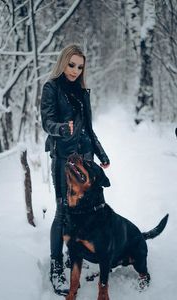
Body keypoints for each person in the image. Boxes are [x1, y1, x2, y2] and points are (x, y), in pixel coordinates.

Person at [40, 44, 110, 295]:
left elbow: (88, 129)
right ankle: (56, 265)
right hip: (64, 158)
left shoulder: (82, 92)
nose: (75, 70)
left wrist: (100, 153)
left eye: (79, 66)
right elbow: (46, 121)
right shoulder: (51, 87)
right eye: (71, 65)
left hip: (86, 156)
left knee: (83, 210)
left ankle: (76, 255)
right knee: (62, 210)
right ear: (63, 62)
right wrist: (61, 128)